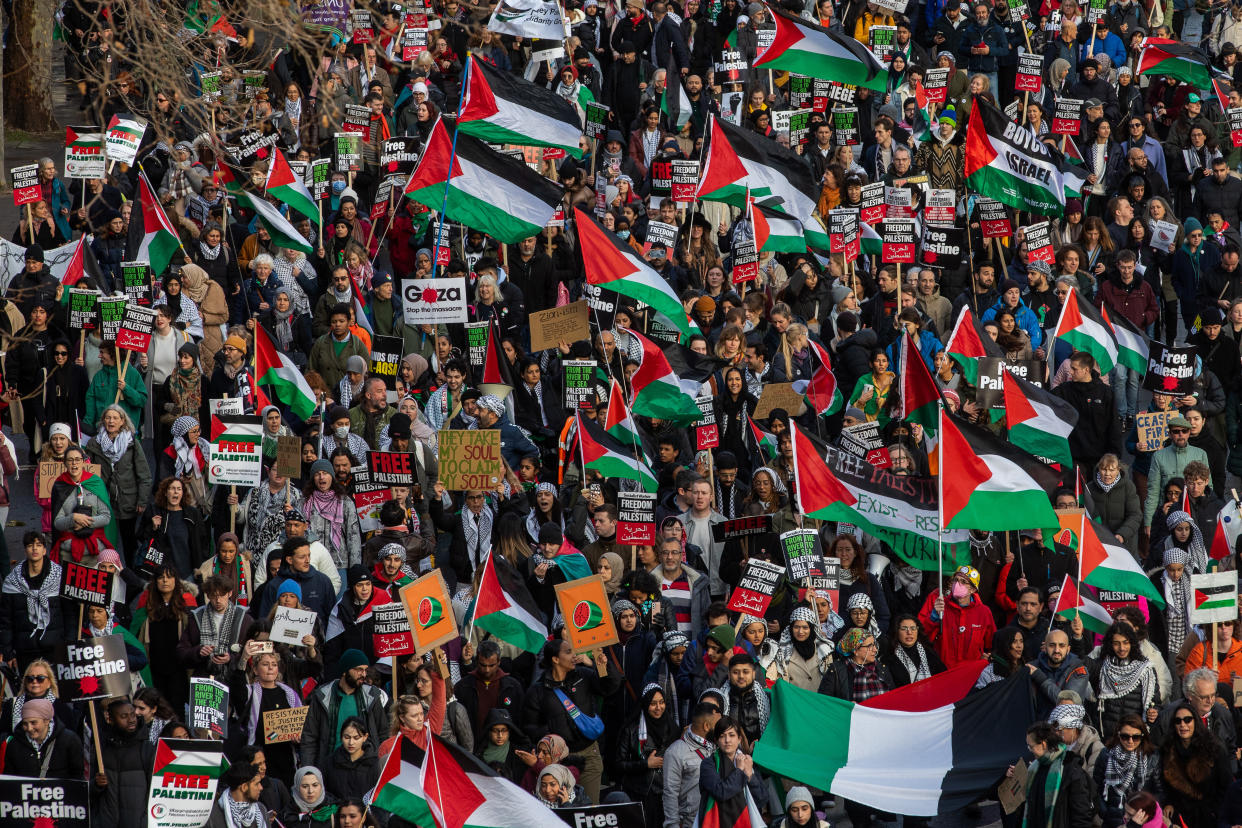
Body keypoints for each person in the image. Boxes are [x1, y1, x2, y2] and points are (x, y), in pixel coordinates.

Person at [520, 638, 621, 804]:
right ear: (555, 659)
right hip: (559, 761)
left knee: (589, 812)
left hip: (590, 756)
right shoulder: (538, 691)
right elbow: (529, 726)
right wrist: (551, 734)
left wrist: (603, 665)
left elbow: (609, 687)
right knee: (563, 812)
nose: (575, 655)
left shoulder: (584, 676)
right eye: (568, 652)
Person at [299, 649, 388, 771]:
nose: (363, 674)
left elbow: (383, 733)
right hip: (331, 768)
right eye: (358, 670)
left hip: (365, 767)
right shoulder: (323, 696)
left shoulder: (371, 696)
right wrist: (308, 771)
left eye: (365, 670)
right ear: (345, 672)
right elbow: (309, 737)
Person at [1157, 700, 1232, 827]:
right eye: (1178, 721)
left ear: (1195, 721)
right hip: (1179, 816)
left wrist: (1214, 811)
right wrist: (1168, 803)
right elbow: (1164, 784)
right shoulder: (1167, 750)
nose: (1183, 724)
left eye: (1187, 720)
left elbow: (1226, 784)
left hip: (1210, 816)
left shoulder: (1214, 748)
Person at [1014, 722, 1094, 828]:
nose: (1030, 750)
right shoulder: (1034, 768)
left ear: (1043, 744)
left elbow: (1081, 814)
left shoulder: (1070, 769)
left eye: (1031, 747)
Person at [697, 717, 768, 822]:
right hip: (718, 821)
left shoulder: (746, 760)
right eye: (722, 736)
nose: (727, 740)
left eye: (731, 735)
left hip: (746, 820)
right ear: (716, 740)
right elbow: (721, 792)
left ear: (739, 739)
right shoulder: (708, 764)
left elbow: (762, 799)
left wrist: (750, 776)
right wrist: (739, 771)